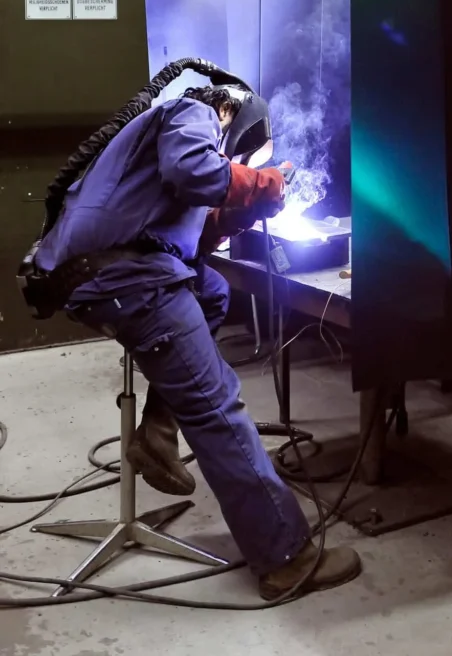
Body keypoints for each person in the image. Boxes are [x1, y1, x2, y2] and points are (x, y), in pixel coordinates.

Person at [35, 85, 360, 600]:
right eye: (237, 155)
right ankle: (284, 559)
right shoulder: (198, 111)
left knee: (210, 288)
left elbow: (186, 232)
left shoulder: (164, 138)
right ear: (235, 118)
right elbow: (196, 173)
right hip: (129, 281)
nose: (231, 161)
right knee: (217, 408)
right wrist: (263, 183)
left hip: (107, 273)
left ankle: (158, 432)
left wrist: (243, 206)